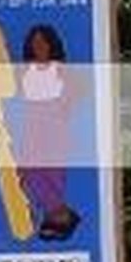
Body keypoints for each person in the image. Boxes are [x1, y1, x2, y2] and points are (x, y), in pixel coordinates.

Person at [15, 22, 82, 242]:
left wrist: (62, 111)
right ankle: (58, 215)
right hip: (31, 122)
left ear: (51, 44)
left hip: (54, 124)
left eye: (43, 42)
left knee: (52, 173)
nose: (38, 47)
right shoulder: (24, 70)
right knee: (27, 170)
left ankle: (55, 218)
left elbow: (77, 89)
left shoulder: (60, 69)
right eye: (34, 43)